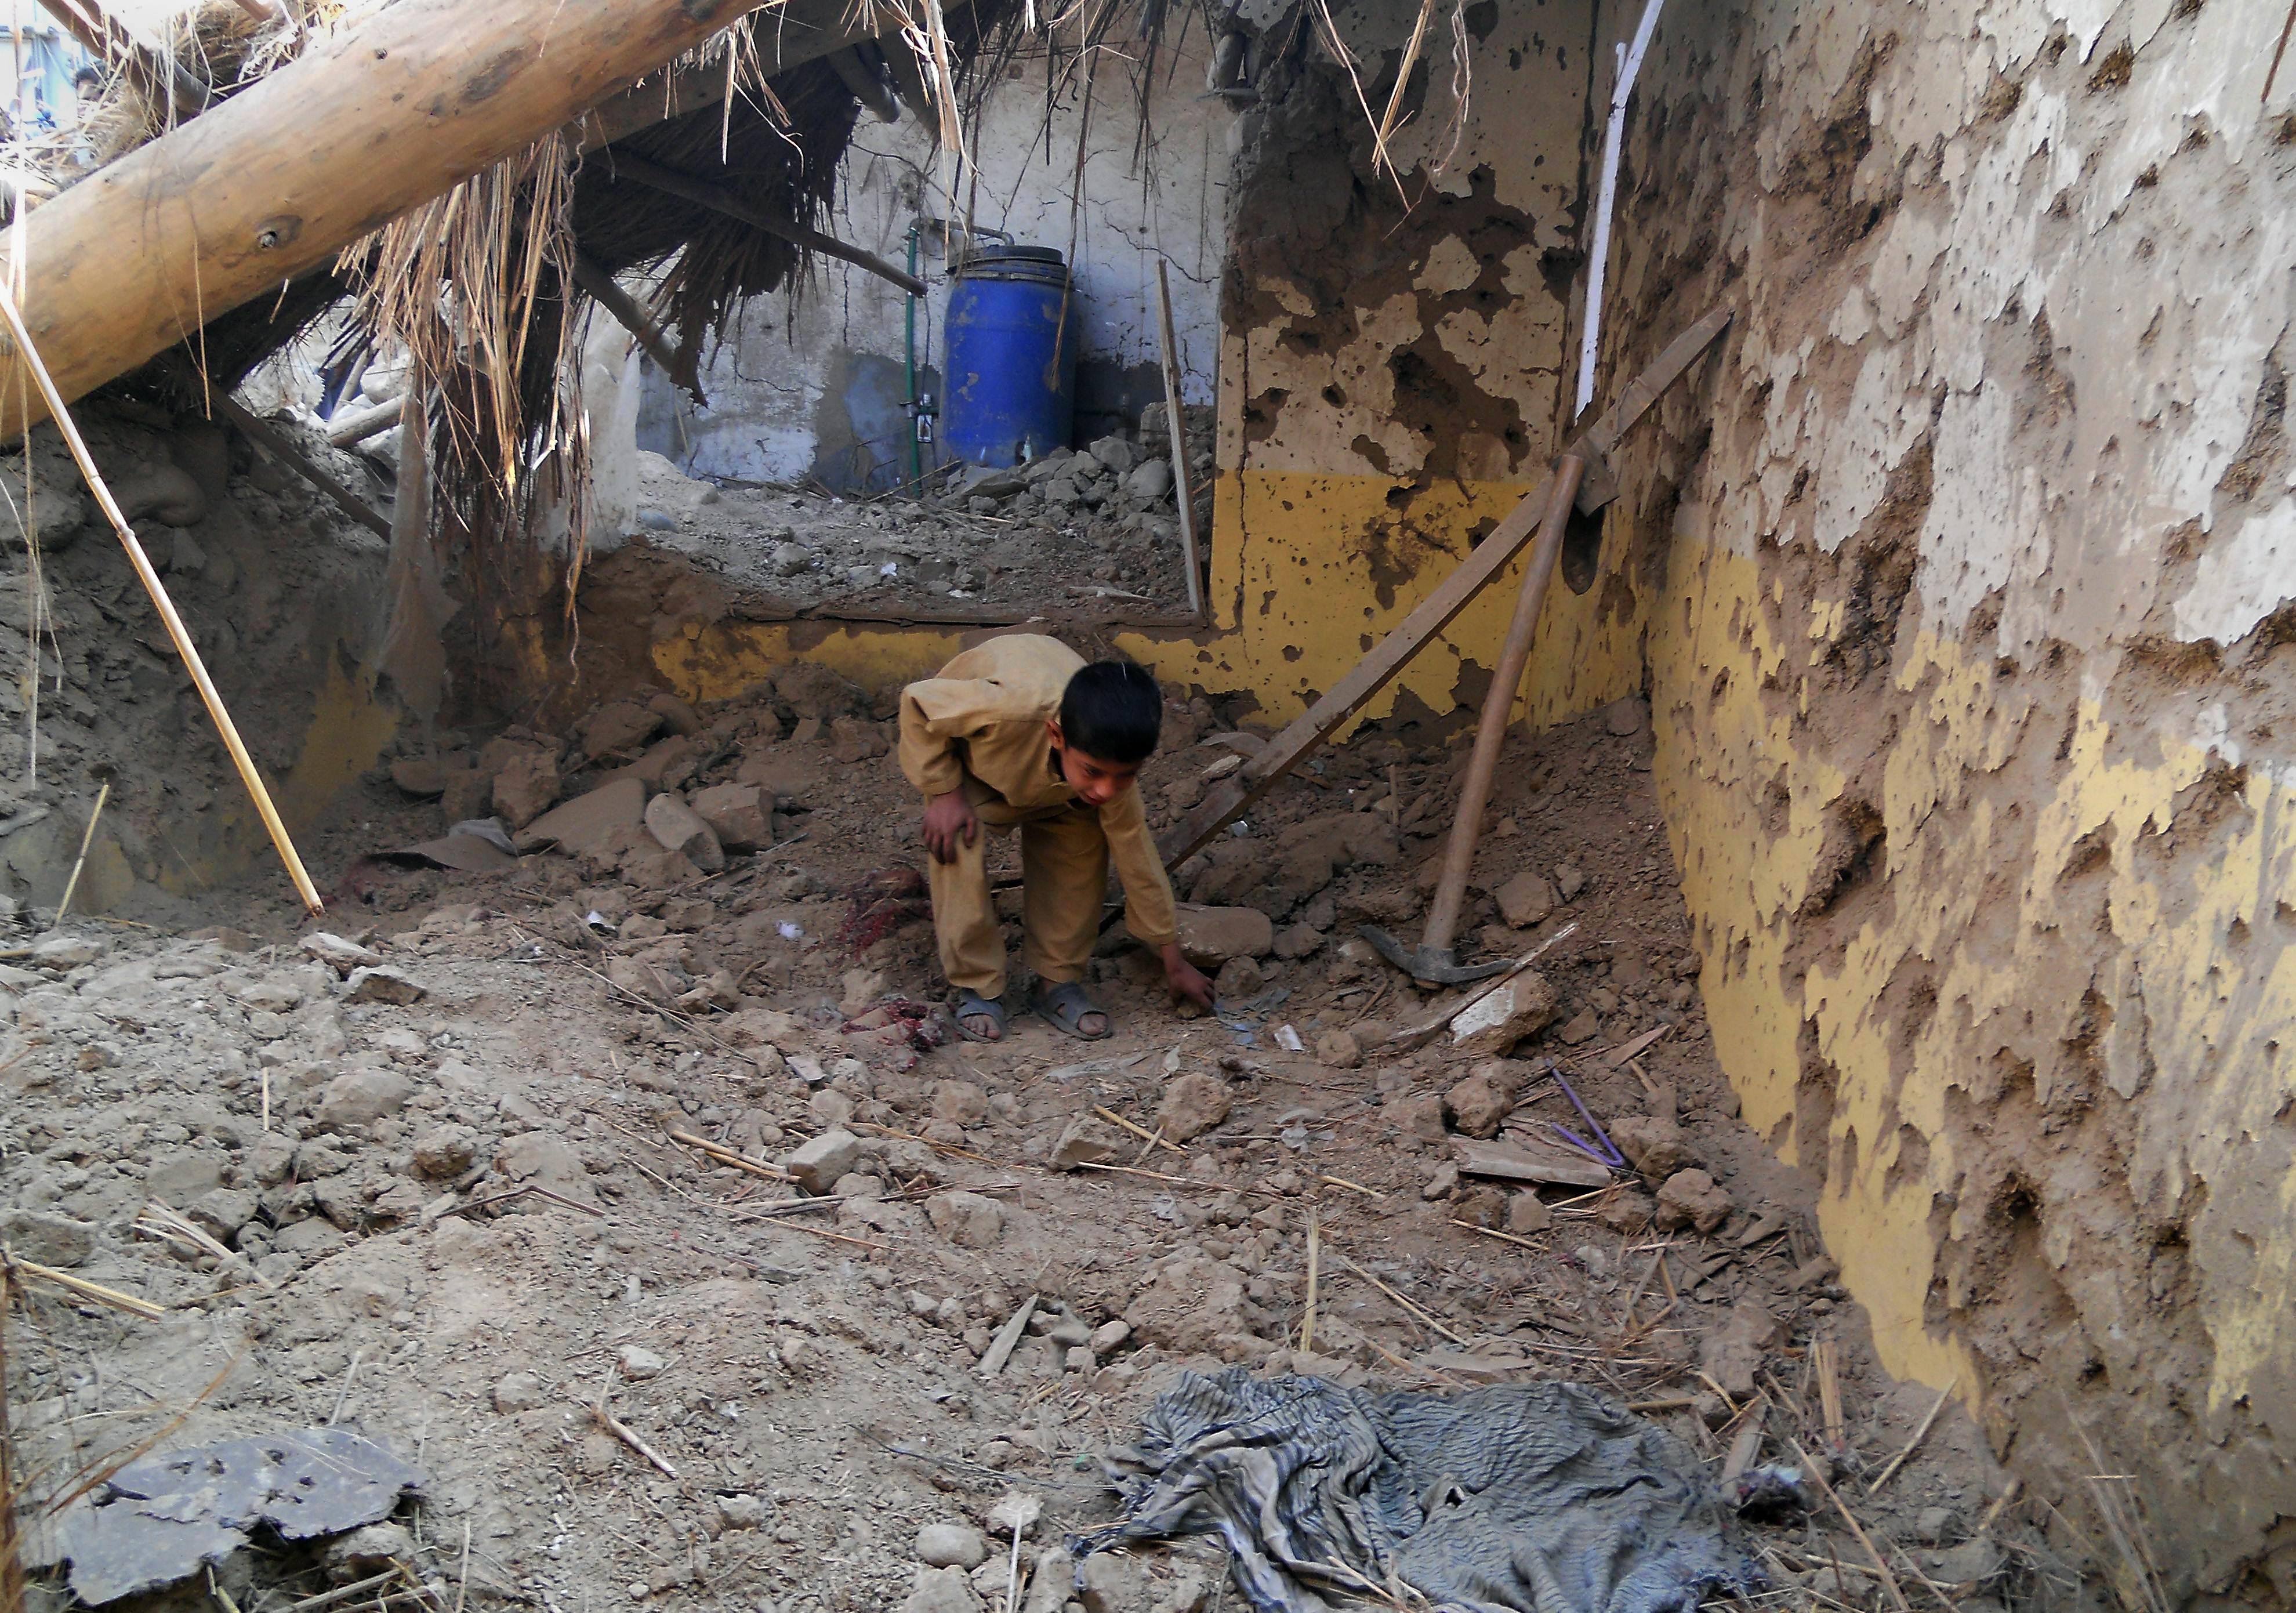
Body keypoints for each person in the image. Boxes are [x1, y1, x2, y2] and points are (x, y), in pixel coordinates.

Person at [898, 635, 1213, 1041]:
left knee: (1082, 848)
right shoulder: (1007, 710)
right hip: (971, 763)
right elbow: (918, 703)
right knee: (954, 838)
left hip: (1056, 789)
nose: (1106, 789)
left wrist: (1173, 961)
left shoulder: (1108, 780)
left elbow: (1139, 861)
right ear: (1056, 734)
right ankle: (975, 985)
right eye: (1093, 771)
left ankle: (1057, 980)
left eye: (1125, 775)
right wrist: (943, 791)